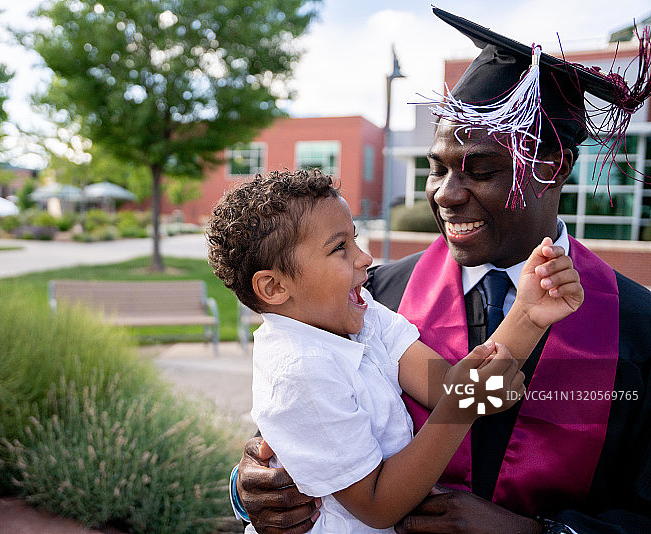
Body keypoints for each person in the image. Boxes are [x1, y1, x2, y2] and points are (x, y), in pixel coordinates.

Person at [232, 8, 651, 534]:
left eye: (482, 170)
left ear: (553, 169)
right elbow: (309, 425)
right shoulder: (372, 297)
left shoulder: (638, 326)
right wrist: (253, 486)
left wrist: (532, 533)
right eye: (436, 167)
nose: (446, 195)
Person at [207, 169, 584, 533]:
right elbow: (378, 506)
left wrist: (528, 316)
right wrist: (462, 405)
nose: (365, 258)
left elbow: (452, 387)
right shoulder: (297, 370)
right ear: (274, 288)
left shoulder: (363, 314)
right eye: (339, 248)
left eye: (355, 239)